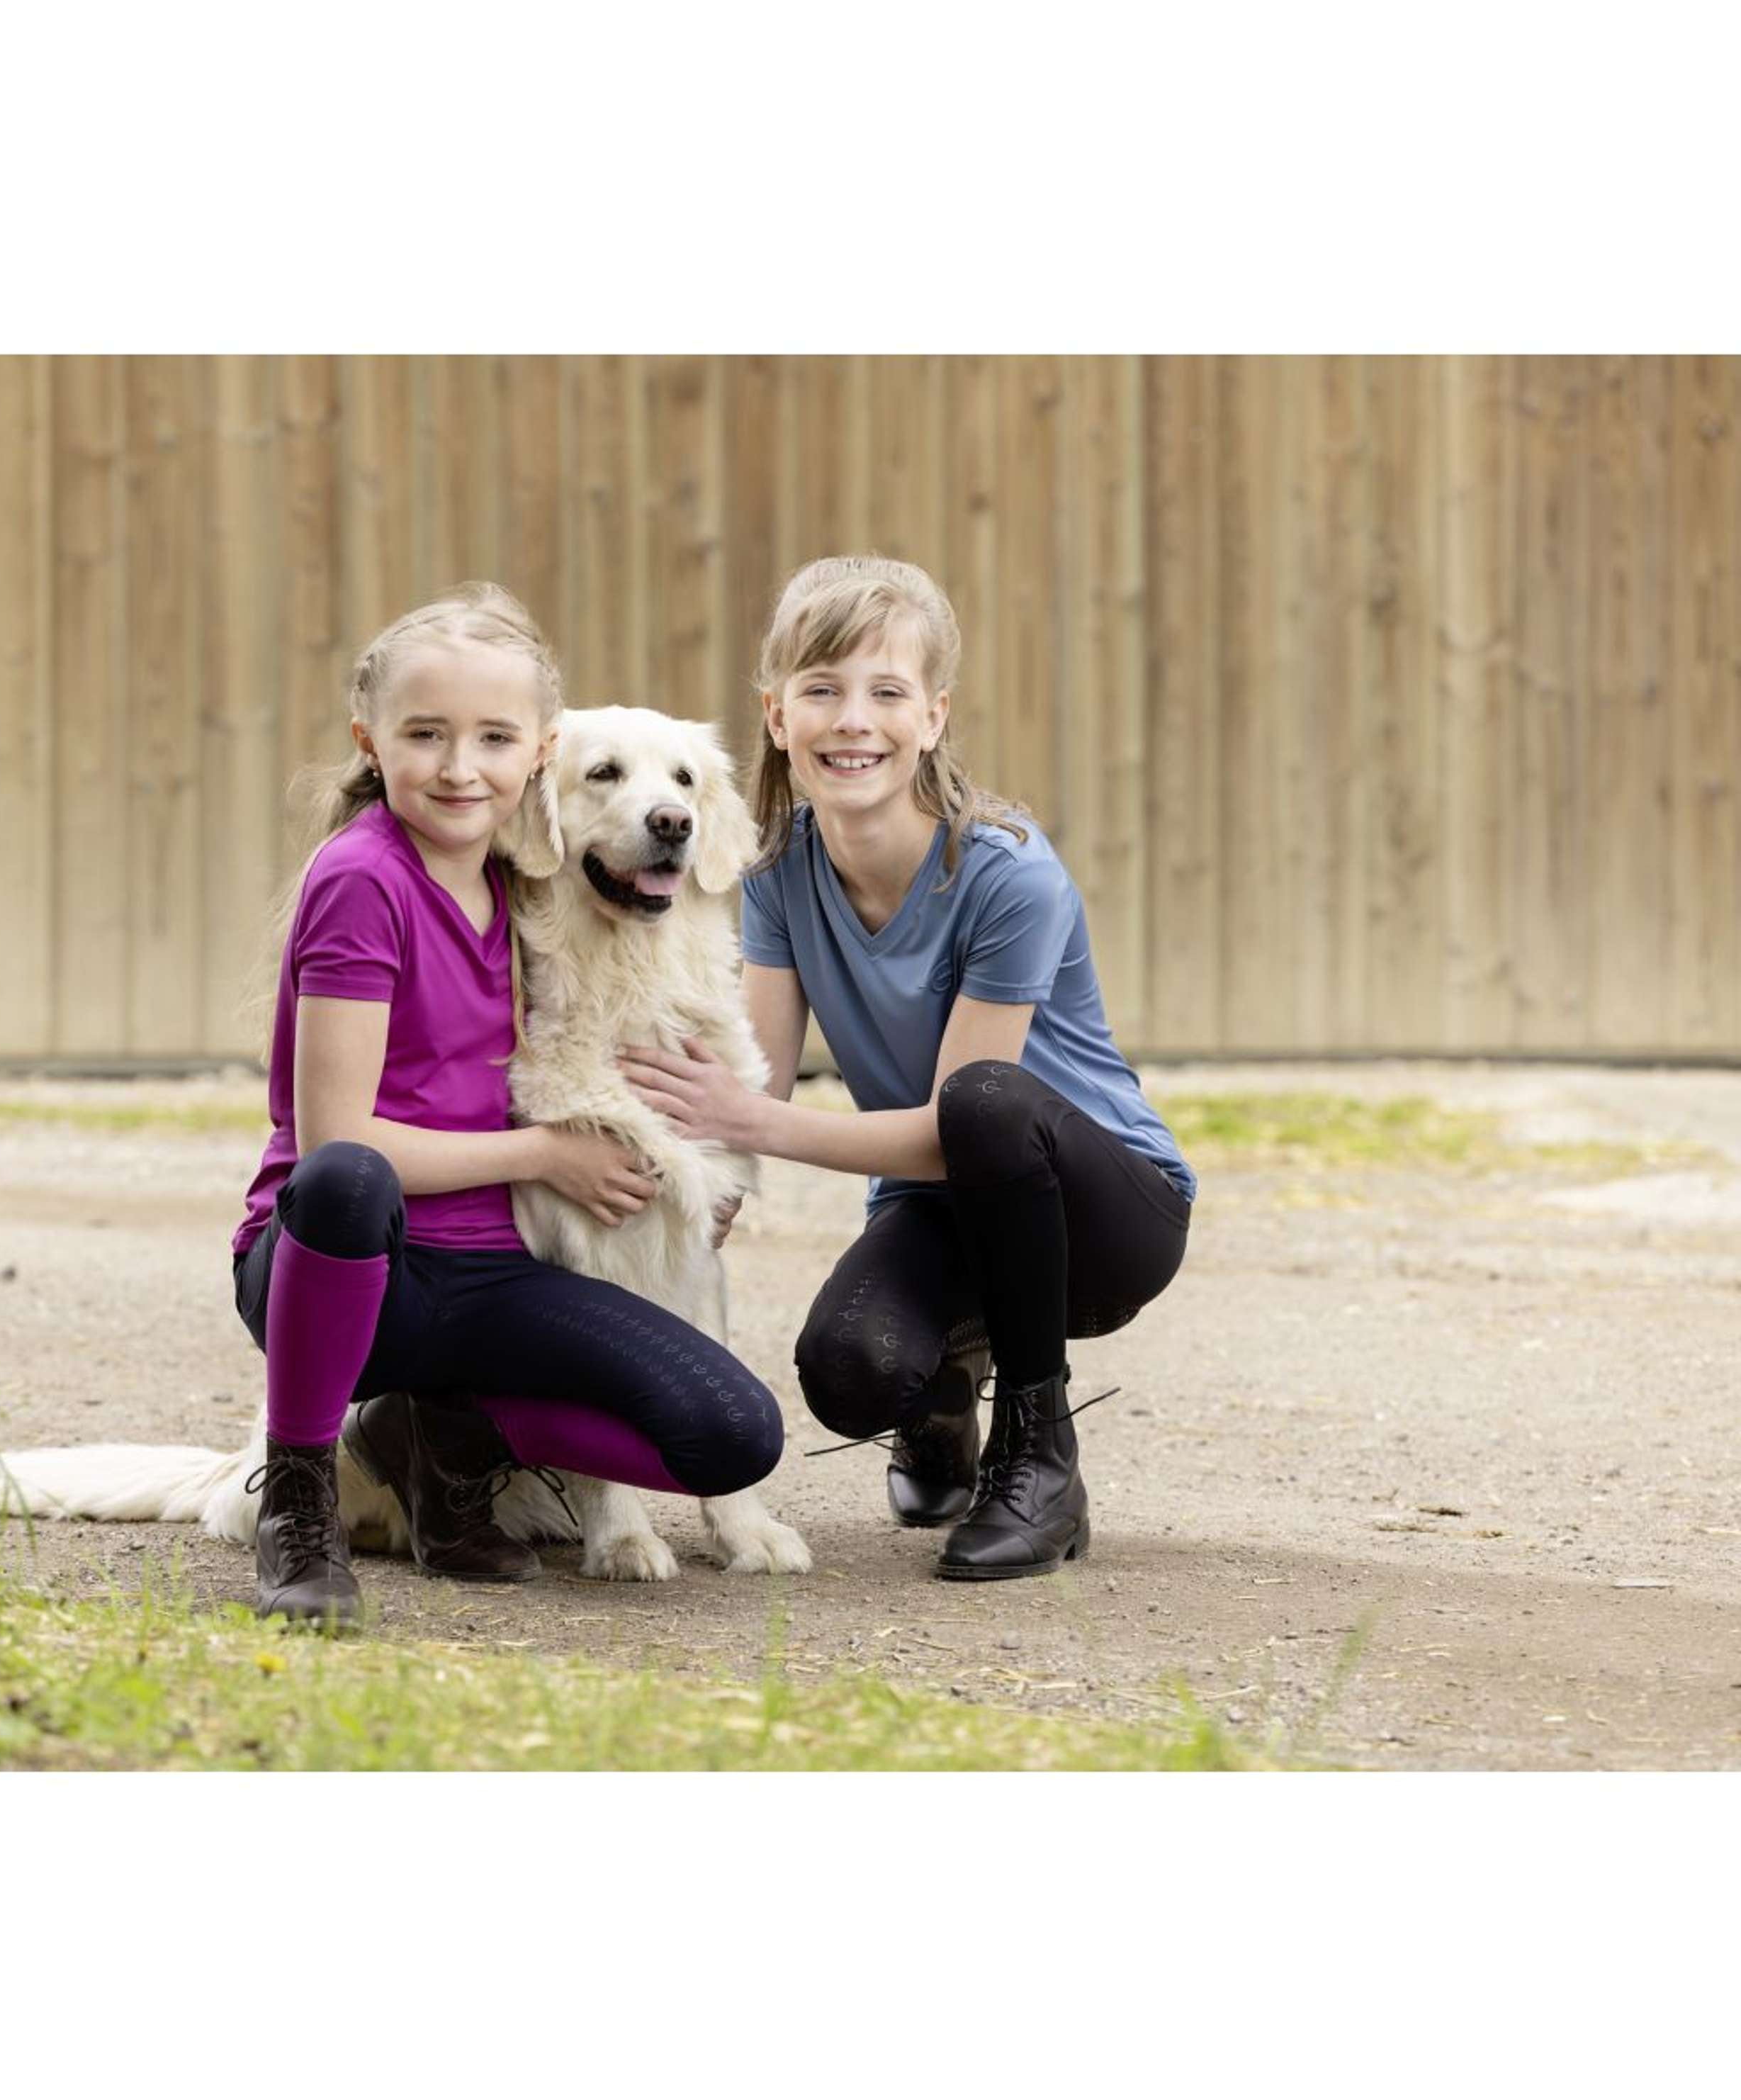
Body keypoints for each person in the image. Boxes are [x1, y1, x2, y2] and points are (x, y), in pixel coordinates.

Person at [619, 555, 1194, 1582]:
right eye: (822, 690)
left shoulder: (1008, 873)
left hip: (1107, 1217)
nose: (854, 721)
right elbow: (754, 1080)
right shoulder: (779, 871)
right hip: (943, 1208)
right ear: (777, 715)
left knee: (983, 1103)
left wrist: (748, 1124)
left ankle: (1041, 1462)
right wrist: (687, 1201)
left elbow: (949, 1128)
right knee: (848, 1370)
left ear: (933, 718)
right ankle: (942, 1391)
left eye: (886, 692)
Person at [233, 584, 782, 1626]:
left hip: (486, 1281)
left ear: (532, 758)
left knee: (732, 1432)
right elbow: (336, 1141)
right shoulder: (364, 880)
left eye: (493, 738)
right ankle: (297, 1495)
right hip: (349, 1268)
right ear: (371, 740)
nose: (459, 766)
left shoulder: (515, 895)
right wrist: (547, 1155)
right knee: (345, 1177)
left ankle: (440, 1439)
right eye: (426, 734)